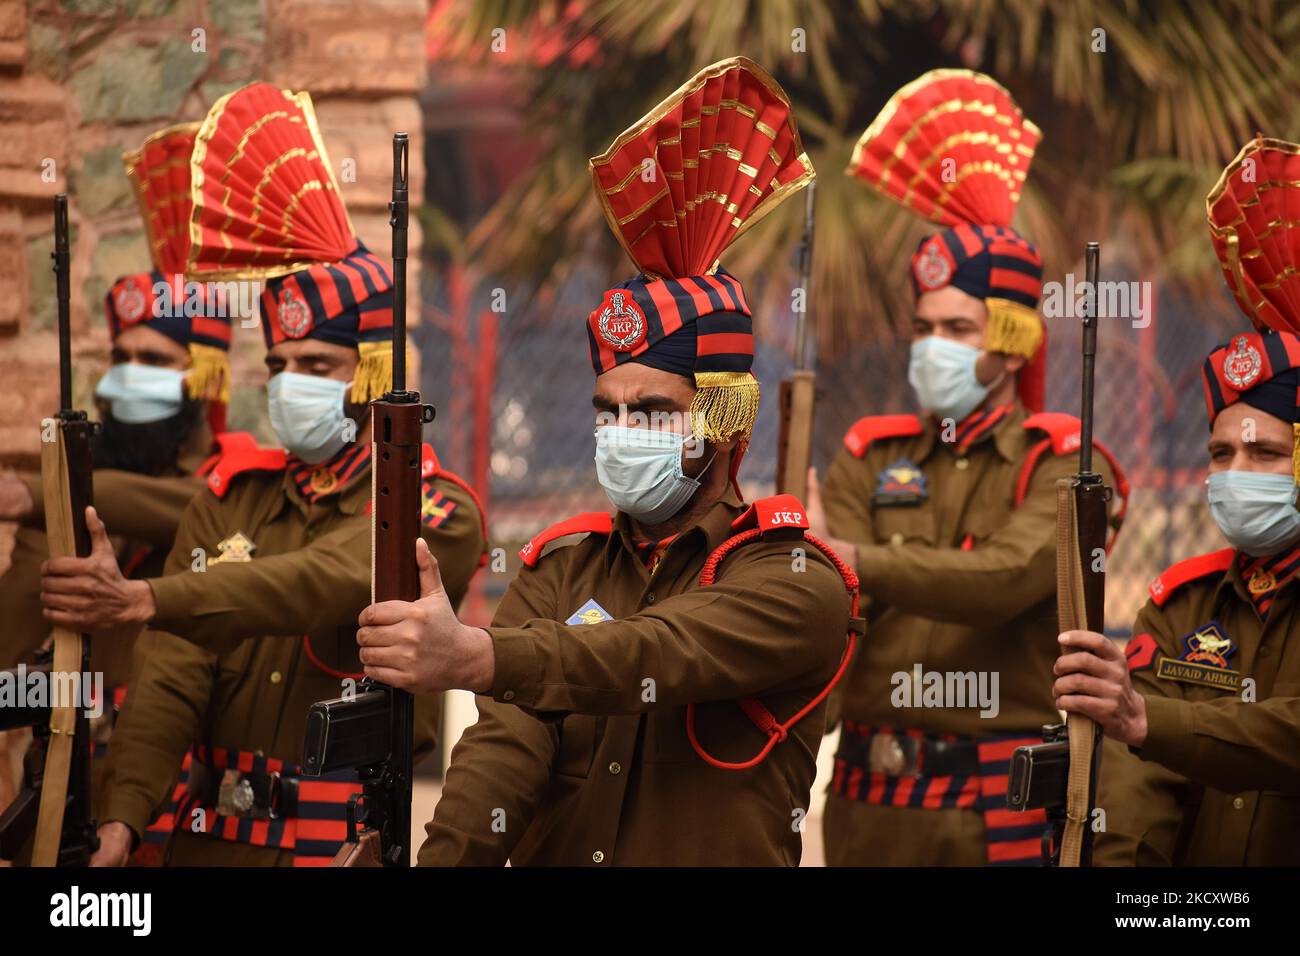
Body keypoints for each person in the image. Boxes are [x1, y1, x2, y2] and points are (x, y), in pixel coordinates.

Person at [363, 58, 854, 866]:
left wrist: (480, 655)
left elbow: (655, 651)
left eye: (654, 412)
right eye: (608, 411)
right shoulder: (560, 568)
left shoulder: (792, 581)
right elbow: (505, 754)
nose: (623, 431)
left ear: (724, 417)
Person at [38, 82, 487, 866]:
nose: (289, 383)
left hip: (339, 848)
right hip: (213, 845)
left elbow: (318, 579)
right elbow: (174, 673)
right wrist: (124, 816)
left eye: (316, 364)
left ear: (371, 369)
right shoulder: (232, 494)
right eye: (278, 364)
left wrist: (147, 596)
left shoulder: (437, 510)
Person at [810, 69, 1127, 866]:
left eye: (957, 327)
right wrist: (843, 569)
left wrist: (856, 559)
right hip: (868, 799)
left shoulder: (1066, 461)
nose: (931, 347)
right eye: (922, 328)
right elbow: (828, 597)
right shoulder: (866, 451)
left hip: (997, 805)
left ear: (1013, 339)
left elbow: (1008, 576)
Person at [0, 123, 236, 855]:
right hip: (69, 780)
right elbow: (9, 656)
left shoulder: (232, 485)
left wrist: (42, 490)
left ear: (202, 378)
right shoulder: (75, 498)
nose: (129, 374)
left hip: (180, 794)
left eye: (154, 359)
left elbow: (188, 508)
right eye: (122, 356)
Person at [1064, 136, 1300, 865]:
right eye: (1222, 453)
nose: (1237, 473)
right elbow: (1142, 793)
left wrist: (1146, 719)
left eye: (1266, 454)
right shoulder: (1180, 604)